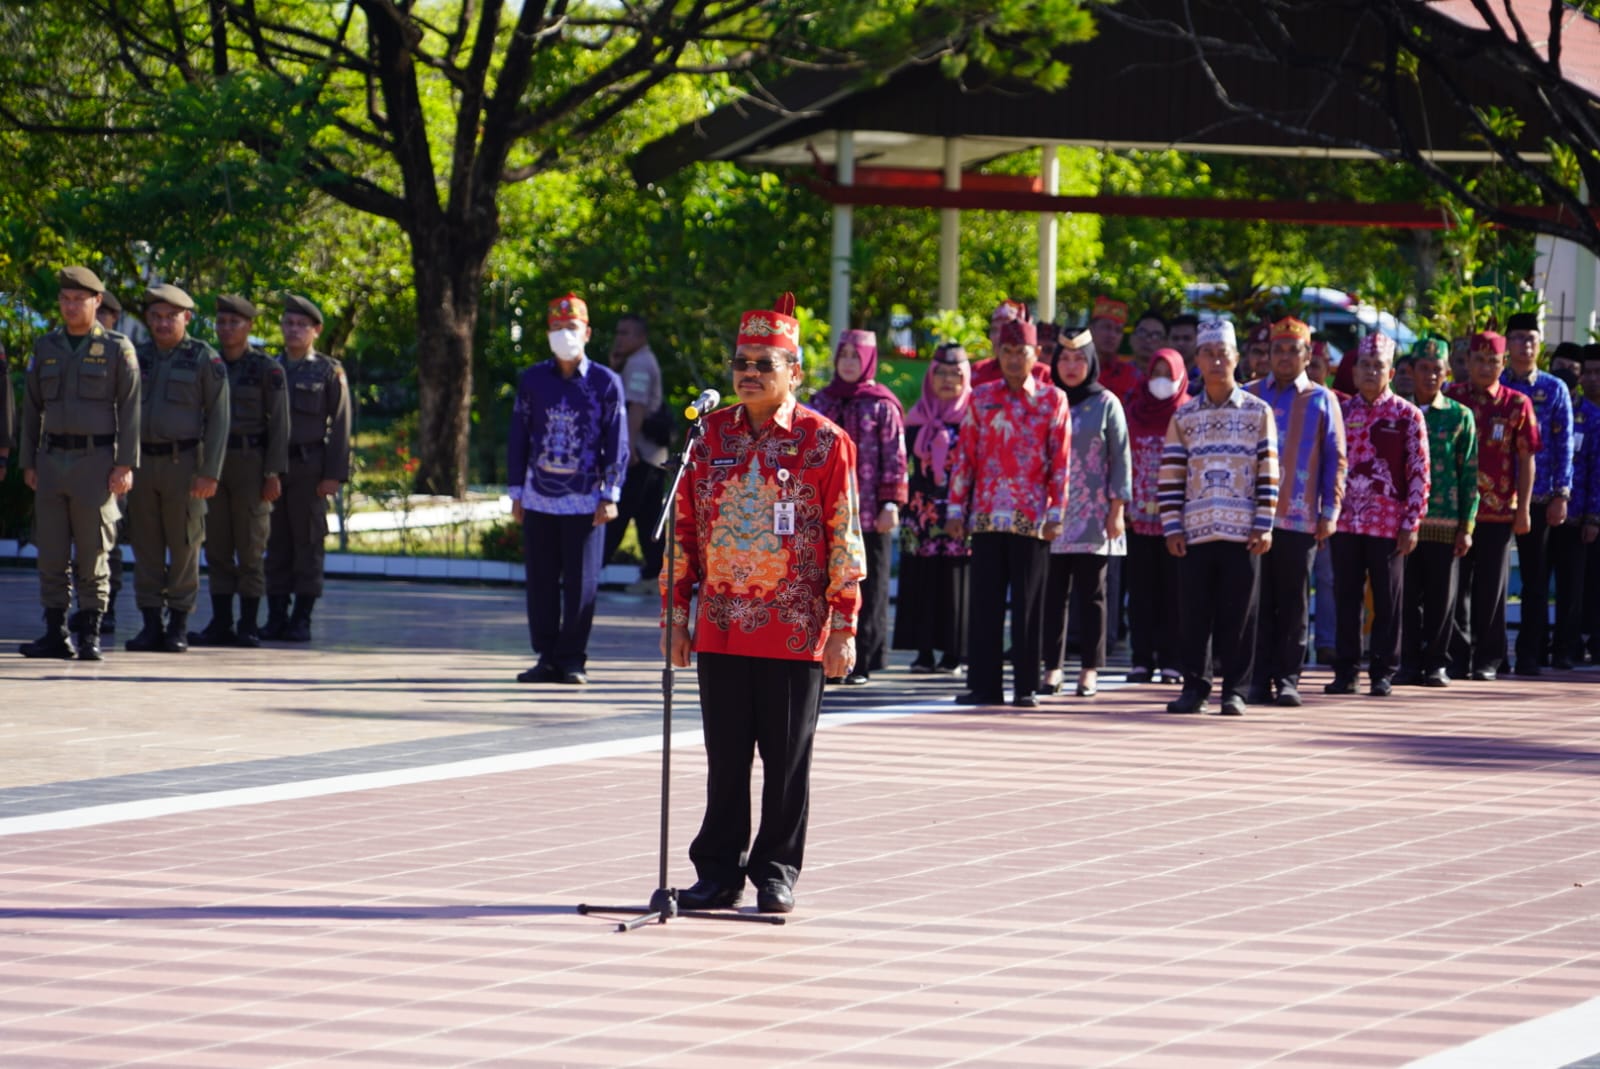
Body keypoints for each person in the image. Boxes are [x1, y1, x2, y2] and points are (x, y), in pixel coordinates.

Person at [665, 293, 865, 915]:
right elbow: (684, 534)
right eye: (741, 361)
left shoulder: (825, 443)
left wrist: (844, 627)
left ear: (795, 373)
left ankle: (775, 872)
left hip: (795, 628)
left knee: (786, 762)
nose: (749, 372)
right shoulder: (708, 438)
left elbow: (845, 537)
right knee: (725, 758)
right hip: (721, 626)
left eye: (765, 363)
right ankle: (717, 871)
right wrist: (677, 617)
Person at [945, 317, 1069, 708]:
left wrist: (1057, 511)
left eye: (1022, 352)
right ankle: (984, 685)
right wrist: (954, 507)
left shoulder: (1053, 399)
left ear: (1036, 354)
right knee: (984, 604)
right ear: (998, 353)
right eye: (1008, 351)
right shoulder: (981, 398)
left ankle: (1027, 686)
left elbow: (1062, 461)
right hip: (984, 514)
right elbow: (964, 456)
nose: (1015, 359)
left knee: (1030, 605)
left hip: (1031, 517)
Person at [18, 267, 140, 661]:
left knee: (92, 553)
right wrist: (29, 461)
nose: (70, 307)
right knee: (51, 553)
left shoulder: (118, 348)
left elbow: (131, 408)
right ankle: (56, 633)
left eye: (79, 300)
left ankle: (89, 635)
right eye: (65, 299)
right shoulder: (46, 346)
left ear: (97, 302)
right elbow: (32, 408)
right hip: (52, 462)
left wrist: (125, 464)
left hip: (96, 462)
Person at [1158, 320, 1278, 716]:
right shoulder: (1185, 415)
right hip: (1195, 532)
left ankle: (1236, 691)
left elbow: (1268, 470)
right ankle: (1195, 687)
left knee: (1240, 615)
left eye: (1223, 353)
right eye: (1208, 353)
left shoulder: (1258, 412)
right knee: (1194, 615)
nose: (1216, 360)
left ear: (1236, 359)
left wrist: (1265, 522)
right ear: (1197, 360)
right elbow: (1172, 472)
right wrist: (1172, 525)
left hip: (1243, 531)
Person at [507, 292, 627, 685]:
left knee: (582, 583)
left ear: (587, 332)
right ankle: (546, 656)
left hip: (586, 497)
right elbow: (519, 435)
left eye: (571, 327)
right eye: (557, 328)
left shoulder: (605, 382)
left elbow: (617, 439)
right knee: (540, 579)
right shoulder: (533, 379)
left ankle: (572, 658)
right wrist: (516, 490)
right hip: (539, 494)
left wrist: (611, 493)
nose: (564, 334)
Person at [1244, 316, 1346, 707]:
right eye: (1278, 349)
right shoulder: (1249, 395)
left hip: (1300, 516)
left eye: (1293, 350)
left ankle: (1288, 678)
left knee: (1293, 602)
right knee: (1255, 600)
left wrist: (1330, 511)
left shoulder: (1323, 399)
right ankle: (1257, 678)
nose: (1285, 357)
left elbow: (1336, 459)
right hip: (1253, 518)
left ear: (1308, 355)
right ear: (1267, 354)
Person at [123, 284, 230, 654]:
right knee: (146, 544)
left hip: (184, 464)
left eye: (171, 316)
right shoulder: (137, 356)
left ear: (187, 317)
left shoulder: (204, 358)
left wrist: (209, 471)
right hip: (142, 464)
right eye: (156, 316)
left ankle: (179, 624)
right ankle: (151, 623)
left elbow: (219, 418)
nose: (162, 323)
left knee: (185, 545)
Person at [1324, 333, 1429, 697]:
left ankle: (1383, 670)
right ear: (1353, 373)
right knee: (1346, 597)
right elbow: (1329, 466)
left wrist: (1411, 523)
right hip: (1346, 522)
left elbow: (1418, 471)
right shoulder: (1341, 412)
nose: (1371, 372)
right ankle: (1346, 670)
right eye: (1365, 366)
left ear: (1390, 371)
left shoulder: (1407, 415)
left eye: (1378, 366)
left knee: (1388, 599)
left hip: (1387, 524)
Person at [188, 295, 289, 648]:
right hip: (213, 465)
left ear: (249, 326)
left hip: (251, 462)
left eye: (235, 323)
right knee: (215, 545)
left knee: (249, 547)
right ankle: (221, 622)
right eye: (222, 322)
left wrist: (273, 472)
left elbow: (279, 425)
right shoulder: (208, 363)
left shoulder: (267, 369)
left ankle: (247, 623)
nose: (227, 328)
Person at [808, 329, 908, 684]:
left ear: (868, 359)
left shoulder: (882, 404)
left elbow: (895, 458)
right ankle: (826, 657)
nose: (849, 363)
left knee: (871, 586)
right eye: (844, 355)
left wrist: (891, 503)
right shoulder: (822, 402)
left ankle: (862, 660)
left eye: (856, 356)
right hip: (826, 514)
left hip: (868, 514)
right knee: (827, 584)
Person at [1041, 329, 1129, 697]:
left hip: (1095, 513)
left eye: (1079, 358)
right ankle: (1052, 667)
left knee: (1092, 595)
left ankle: (1090, 668)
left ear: (1090, 361)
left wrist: (1117, 509)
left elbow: (1120, 457)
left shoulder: (1107, 402)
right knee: (1052, 593)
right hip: (1052, 514)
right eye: (1064, 358)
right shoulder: (1046, 400)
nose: (1071, 366)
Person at [1446, 331, 1538, 681]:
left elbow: (1527, 458)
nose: (1485, 366)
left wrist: (1524, 508)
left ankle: (1490, 658)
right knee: (1455, 587)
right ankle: (1456, 656)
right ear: (1466, 362)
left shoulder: (1517, 404)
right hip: (1454, 510)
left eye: (1492, 360)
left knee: (1492, 589)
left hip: (1498, 510)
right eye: (1478, 359)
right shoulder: (1451, 399)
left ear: (1503, 364)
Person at [262, 294, 352, 643]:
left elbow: (341, 423)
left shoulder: (329, 370)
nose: (294, 330)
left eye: (302, 325)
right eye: (289, 323)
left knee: (308, 543)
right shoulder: (269, 367)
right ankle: (276, 616)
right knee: (276, 543)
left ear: (316, 330)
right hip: (273, 468)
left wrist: (333, 474)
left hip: (310, 467)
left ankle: (302, 618)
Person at [1396, 338, 1478, 687]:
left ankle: (1437, 663)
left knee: (1442, 598)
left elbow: (1469, 473)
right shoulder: (1398, 412)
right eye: (1423, 369)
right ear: (1411, 372)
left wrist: (1467, 524)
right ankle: (1408, 662)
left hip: (1444, 519)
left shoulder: (1460, 416)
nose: (1430, 376)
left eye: (1437, 370)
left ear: (1446, 373)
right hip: (1404, 522)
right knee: (1406, 596)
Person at [1499, 312, 1574, 675]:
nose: (1525, 345)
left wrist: (1562, 493)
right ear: (1507, 343)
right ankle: (1493, 652)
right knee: (1491, 579)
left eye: (1531, 338)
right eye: (1518, 338)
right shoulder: (1496, 386)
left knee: (1534, 579)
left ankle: (1530, 652)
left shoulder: (1554, 388)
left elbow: (1563, 446)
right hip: (1496, 497)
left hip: (1541, 498)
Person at [893, 345, 972, 675]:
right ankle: (924, 652)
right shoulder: (915, 417)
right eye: (940, 372)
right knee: (921, 580)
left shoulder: (972, 416)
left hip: (958, 511)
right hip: (920, 512)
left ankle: (954, 653)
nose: (947, 380)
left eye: (955, 374)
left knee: (955, 580)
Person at [1125, 348, 1188, 685]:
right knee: (1141, 593)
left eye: (1169, 372)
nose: (1162, 380)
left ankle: (1172, 659)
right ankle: (1140, 659)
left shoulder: (1188, 412)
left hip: (1176, 521)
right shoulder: (1134, 411)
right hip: (1137, 518)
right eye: (1156, 372)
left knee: (1174, 593)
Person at [603, 313, 668, 594]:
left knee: (616, 513)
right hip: (651, 454)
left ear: (641, 337)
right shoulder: (635, 361)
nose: (619, 338)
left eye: (626, 333)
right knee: (648, 519)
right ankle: (655, 573)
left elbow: (636, 408)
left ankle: (588, 569)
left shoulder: (640, 363)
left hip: (640, 454)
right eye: (618, 332)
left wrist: (626, 449)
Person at [1549, 345, 1600, 667]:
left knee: (1578, 586)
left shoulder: (1592, 417)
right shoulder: (1546, 407)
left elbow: (1596, 468)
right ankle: (1543, 644)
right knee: (1540, 583)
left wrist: (1592, 516)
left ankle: (1572, 645)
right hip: (1549, 510)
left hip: (1581, 513)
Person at [1575, 347, 1600, 664]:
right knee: (1585, 580)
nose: (1593, 380)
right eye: (1588, 373)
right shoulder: (1573, 411)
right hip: (1584, 511)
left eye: (1599, 373)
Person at [1091, 296, 1141, 401]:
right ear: (1091, 329)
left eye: (1118, 330)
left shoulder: (1133, 375)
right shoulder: (1075, 369)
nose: (1112, 335)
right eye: (1106, 327)